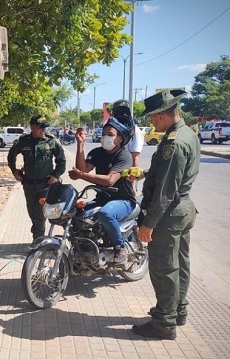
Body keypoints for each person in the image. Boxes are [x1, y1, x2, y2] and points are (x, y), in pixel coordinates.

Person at [129, 89, 199, 340]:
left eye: (151, 117)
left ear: (160, 116)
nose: (150, 122)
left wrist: (148, 224)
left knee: (164, 268)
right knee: (180, 264)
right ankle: (177, 311)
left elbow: (166, 191)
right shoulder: (187, 133)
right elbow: (173, 177)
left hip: (169, 213)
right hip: (184, 209)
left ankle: (163, 323)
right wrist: (146, 175)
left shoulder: (173, 142)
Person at [68, 118, 135, 263]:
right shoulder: (98, 152)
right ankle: (83, 249)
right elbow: (83, 169)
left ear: (119, 139)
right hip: (103, 198)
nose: (105, 137)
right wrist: (80, 144)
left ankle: (119, 248)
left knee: (106, 213)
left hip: (123, 200)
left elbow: (109, 180)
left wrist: (81, 176)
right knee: (76, 213)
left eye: (110, 134)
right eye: (104, 134)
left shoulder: (124, 156)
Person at [7, 114, 66, 241]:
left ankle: (38, 240)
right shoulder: (23, 141)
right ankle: (38, 235)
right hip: (28, 184)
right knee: (32, 212)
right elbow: (11, 155)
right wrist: (14, 171)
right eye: (40, 128)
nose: (43, 130)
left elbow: (61, 161)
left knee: (40, 212)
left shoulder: (51, 141)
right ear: (32, 127)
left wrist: (56, 175)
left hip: (46, 184)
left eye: (45, 128)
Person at [112, 100, 144, 195]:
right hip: (113, 174)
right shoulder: (114, 128)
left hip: (127, 178)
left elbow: (135, 158)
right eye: (116, 110)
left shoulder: (134, 132)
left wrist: (133, 184)